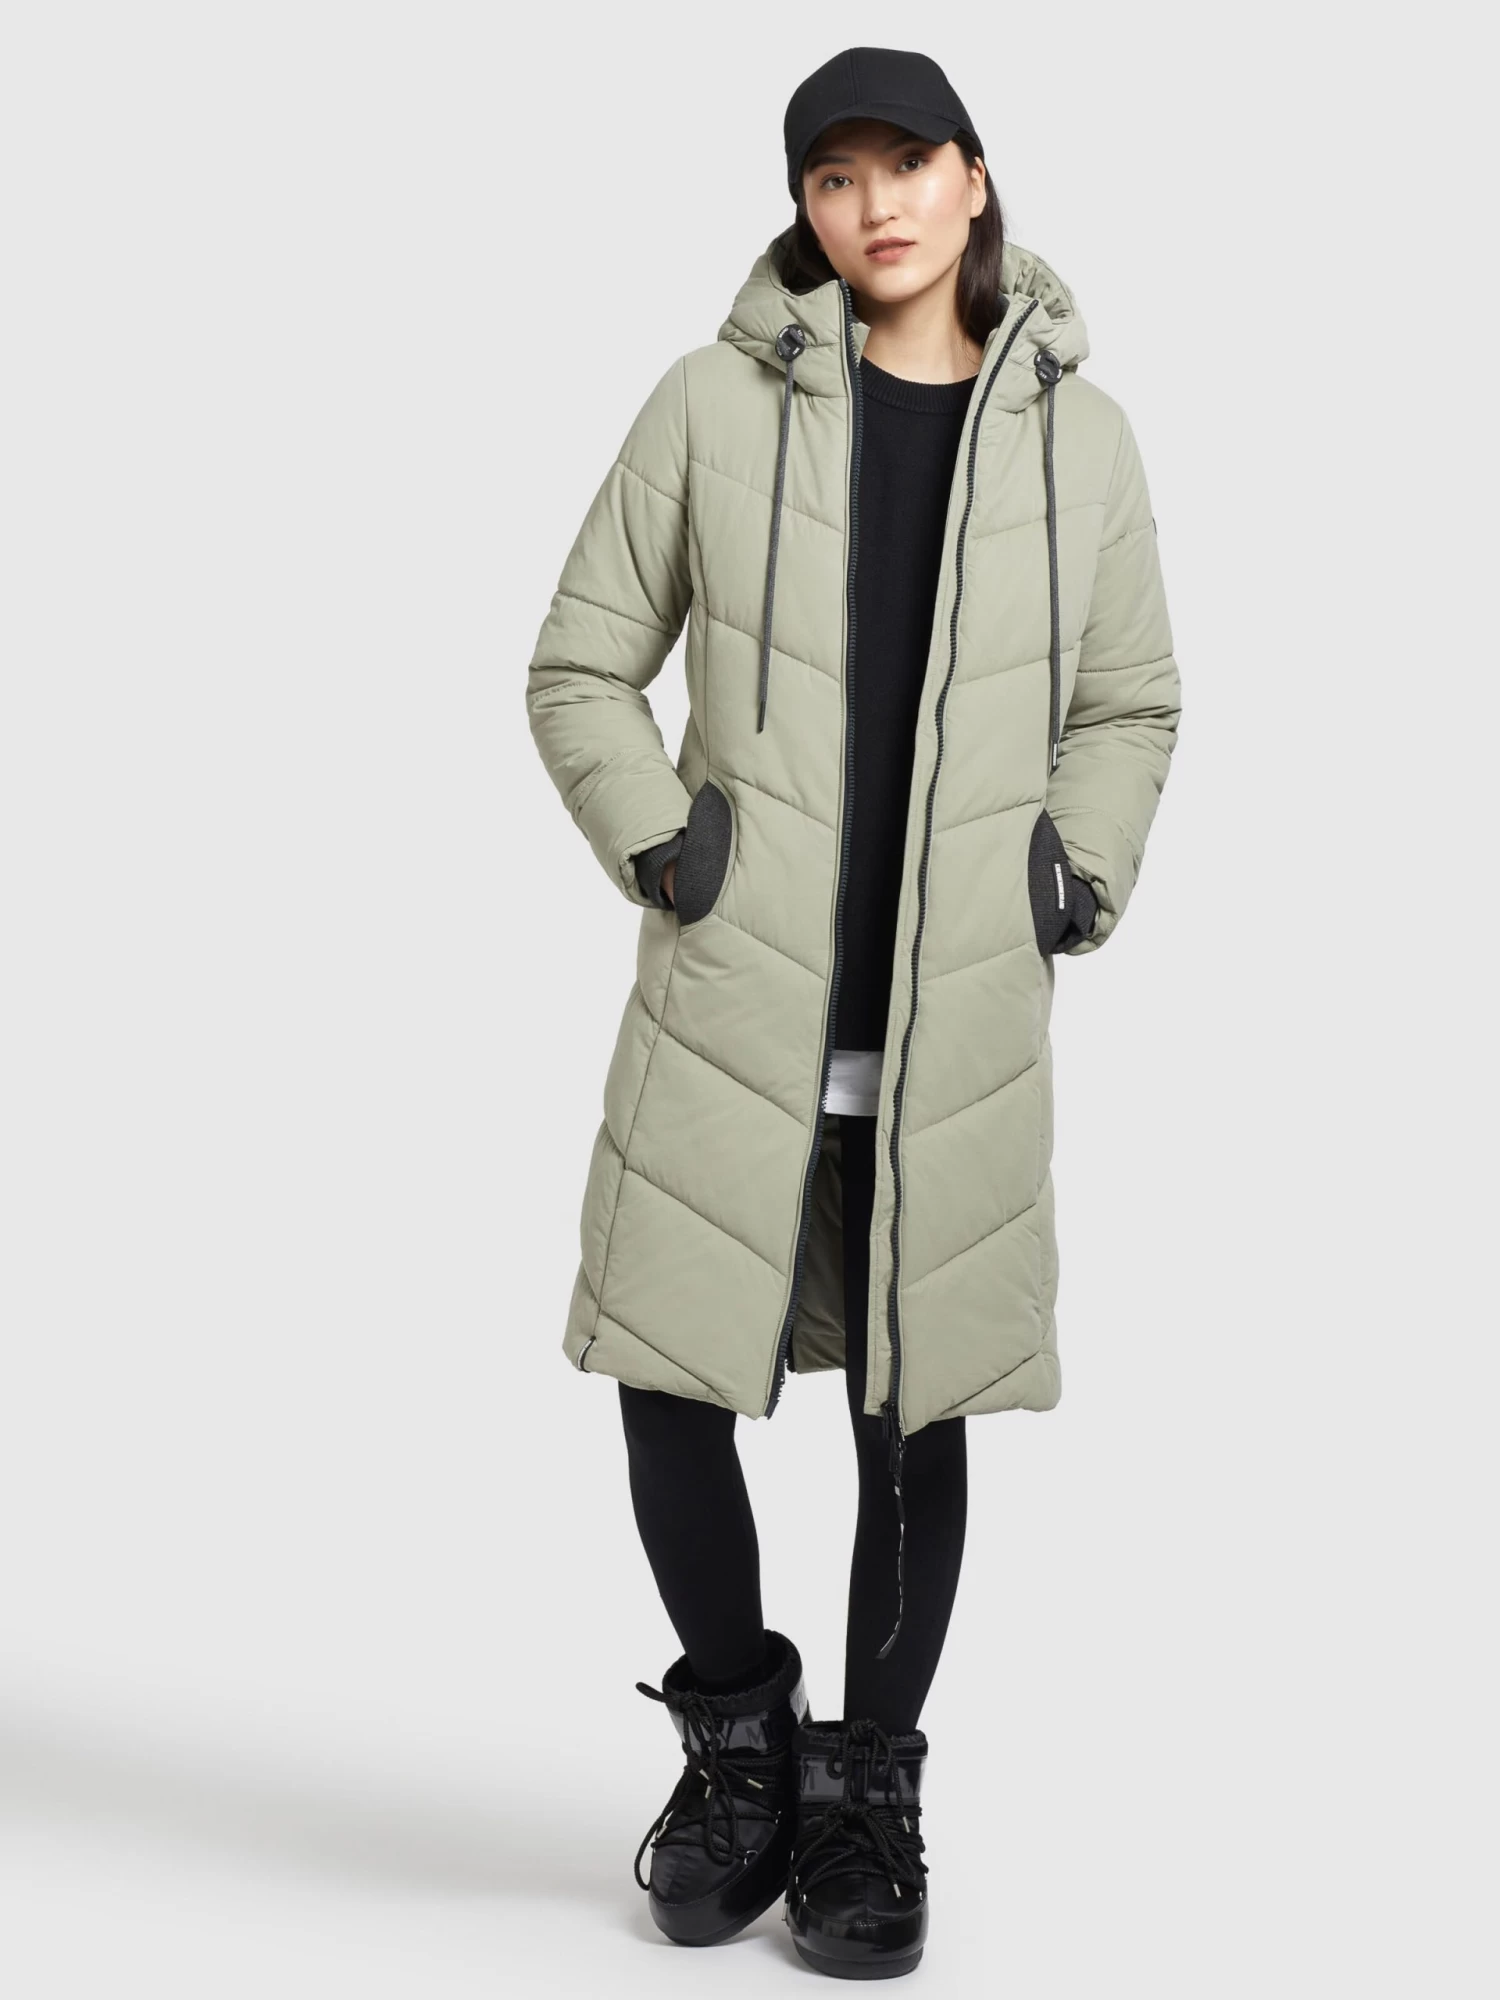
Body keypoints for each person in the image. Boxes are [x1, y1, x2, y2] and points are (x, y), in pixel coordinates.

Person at [524, 44, 1181, 1979]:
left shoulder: (1082, 442)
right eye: (835, 176)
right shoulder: (709, 405)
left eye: (908, 164)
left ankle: (868, 1791)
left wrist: (1073, 874)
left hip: (951, 1022)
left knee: (917, 1409)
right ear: (805, 209)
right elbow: (578, 665)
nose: (875, 204)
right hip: (735, 1005)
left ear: (974, 178)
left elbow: (1131, 704)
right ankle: (740, 1749)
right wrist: (667, 850)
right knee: (669, 1383)